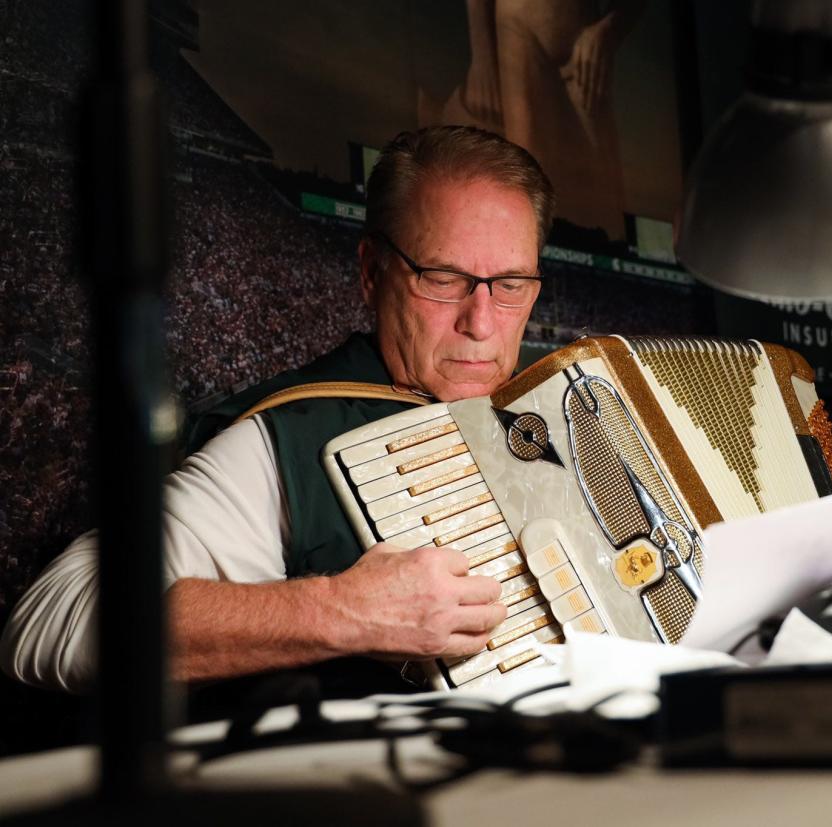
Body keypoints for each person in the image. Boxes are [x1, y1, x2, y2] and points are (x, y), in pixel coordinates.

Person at [1, 125, 556, 693]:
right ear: (371, 273)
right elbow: (50, 622)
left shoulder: (567, 411)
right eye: (443, 278)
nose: (481, 322)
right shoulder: (284, 437)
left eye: (509, 284)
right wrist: (343, 610)